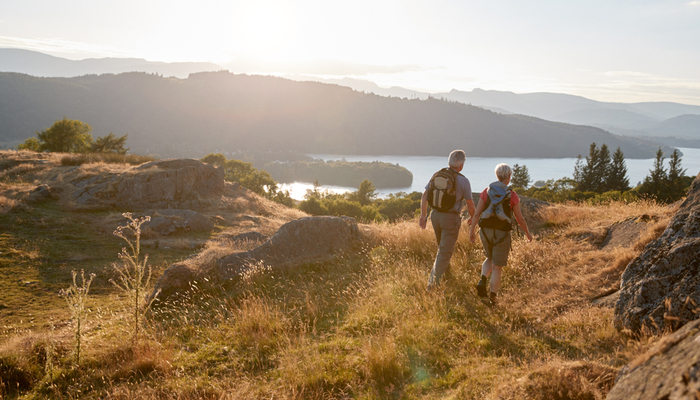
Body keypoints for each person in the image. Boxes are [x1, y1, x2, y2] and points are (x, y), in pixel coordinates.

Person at [469, 163, 533, 306]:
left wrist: (472, 230)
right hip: (502, 233)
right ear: (509, 177)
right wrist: (527, 233)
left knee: (489, 258)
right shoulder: (512, 195)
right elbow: (519, 218)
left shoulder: (486, 191)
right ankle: (493, 299)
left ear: (497, 175)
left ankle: (482, 280)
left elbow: (477, 213)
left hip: (485, 231)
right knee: (497, 267)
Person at [419, 149, 475, 289]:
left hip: (435, 216)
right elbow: (470, 204)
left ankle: (447, 275)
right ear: (461, 165)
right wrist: (474, 218)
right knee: (444, 251)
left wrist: (423, 216)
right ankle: (432, 286)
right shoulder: (463, 180)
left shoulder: (437, 175)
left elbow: (425, 196)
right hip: (450, 218)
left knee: (442, 249)